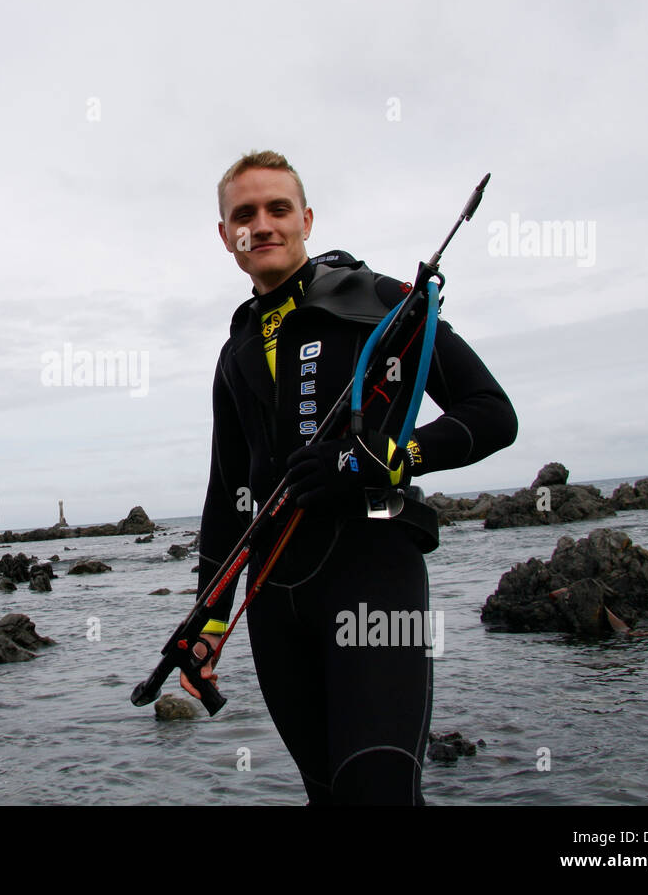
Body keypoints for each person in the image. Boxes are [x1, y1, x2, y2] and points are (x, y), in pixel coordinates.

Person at [183, 151, 516, 805]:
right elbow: (229, 496)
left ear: (306, 218)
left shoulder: (385, 302)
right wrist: (208, 619)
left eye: (278, 208)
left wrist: (386, 458)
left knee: (379, 790)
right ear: (226, 237)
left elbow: (491, 414)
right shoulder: (236, 349)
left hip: (372, 573)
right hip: (275, 599)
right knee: (328, 796)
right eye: (244, 214)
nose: (264, 223)